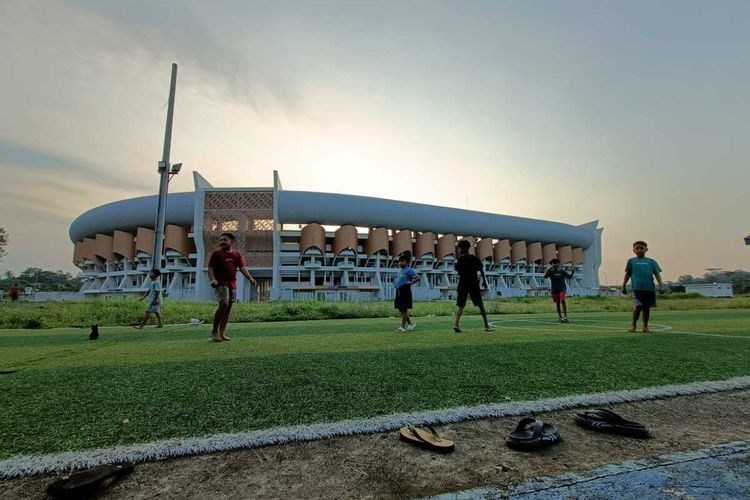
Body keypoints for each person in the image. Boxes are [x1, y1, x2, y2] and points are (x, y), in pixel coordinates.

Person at [208, 232, 256, 342]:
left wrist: (250, 278)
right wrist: (213, 279)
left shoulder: (237, 254)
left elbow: (243, 268)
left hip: (232, 284)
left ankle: (222, 333)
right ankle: (214, 332)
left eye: (225, 240)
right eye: (221, 240)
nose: (222, 242)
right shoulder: (216, 253)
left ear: (231, 242)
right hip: (220, 283)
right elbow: (210, 268)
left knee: (228, 308)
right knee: (223, 304)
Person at [622, 240, 664, 333]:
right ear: (634, 250)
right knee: (638, 306)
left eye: (641, 248)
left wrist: (661, 286)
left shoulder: (651, 262)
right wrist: (623, 285)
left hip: (649, 288)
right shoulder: (631, 261)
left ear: (646, 249)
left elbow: (657, 274)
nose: (639, 250)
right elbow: (627, 274)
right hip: (637, 288)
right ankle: (633, 324)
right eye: (637, 248)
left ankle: (645, 326)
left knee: (646, 307)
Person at [453, 239, 492, 332]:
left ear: (463, 248)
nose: (459, 250)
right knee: (480, 305)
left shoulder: (460, 259)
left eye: (459, 248)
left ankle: (456, 324)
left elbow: (458, 271)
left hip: (463, 283)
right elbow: (481, 270)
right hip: (473, 283)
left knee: (460, 305)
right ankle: (486, 325)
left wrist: (456, 265)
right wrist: (485, 282)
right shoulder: (474, 258)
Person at [393, 253, 420, 332]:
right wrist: (395, 284)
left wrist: (411, 283)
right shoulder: (400, 271)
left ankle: (402, 327)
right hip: (399, 291)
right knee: (401, 309)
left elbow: (417, 278)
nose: (400, 263)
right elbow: (399, 280)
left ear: (407, 263)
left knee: (404, 309)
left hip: (405, 291)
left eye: (402, 261)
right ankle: (411, 324)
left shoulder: (409, 270)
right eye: (399, 261)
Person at [543, 258, 575, 322]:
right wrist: (548, 270)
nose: (555, 264)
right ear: (552, 264)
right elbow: (545, 277)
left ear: (558, 264)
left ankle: (565, 316)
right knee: (557, 303)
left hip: (562, 289)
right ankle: (560, 317)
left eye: (556, 263)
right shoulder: (551, 271)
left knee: (563, 300)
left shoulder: (562, 271)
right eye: (553, 263)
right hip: (554, 290)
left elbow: (569, 277)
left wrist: (572, 272)